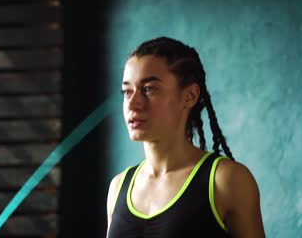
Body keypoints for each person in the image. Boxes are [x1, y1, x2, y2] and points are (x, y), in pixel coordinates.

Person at [106, 37, 265, 238]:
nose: (133, 103)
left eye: (149, 89)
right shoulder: (118, 187)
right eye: (127, 91)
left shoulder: (226, 181)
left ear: (189, 96)